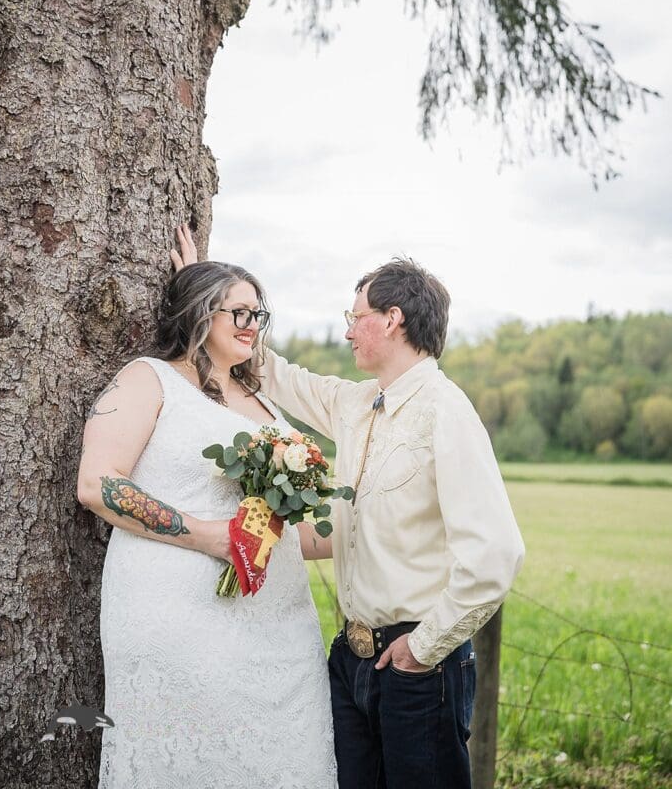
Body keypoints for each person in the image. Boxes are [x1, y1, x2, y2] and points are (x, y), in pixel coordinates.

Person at [173, 226, 525, 789]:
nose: (346, 330)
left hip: (418, 667)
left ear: (392, 319)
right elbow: (273, 373)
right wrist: (208, 289)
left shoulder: (446, 410)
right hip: (351, 662)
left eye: (355, 315)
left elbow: (497, 554)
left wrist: (424, 647)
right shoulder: (357, 403)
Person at [77, 260, 337, 789]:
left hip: (280, 622)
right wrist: (211, 536)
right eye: (237, 311)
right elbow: (97, 484)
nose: (251, 324)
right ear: (198, 311)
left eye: (257, 313)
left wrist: (384, 533)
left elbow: (287, 535)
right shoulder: (149, 378)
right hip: (181, 613)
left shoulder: (263, 399)